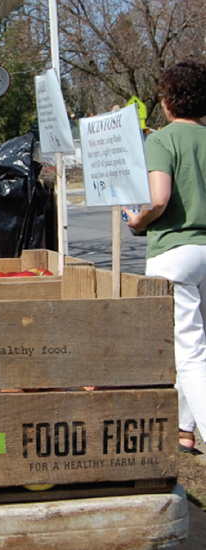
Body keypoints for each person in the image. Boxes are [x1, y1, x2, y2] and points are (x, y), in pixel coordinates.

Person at [125, 60, 206, 454]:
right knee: (200, 345)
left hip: (175, 253)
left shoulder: (160, 141)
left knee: (188, 354)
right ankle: (185, 432)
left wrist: (137, 220)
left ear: (169, 100)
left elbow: (159, 198)